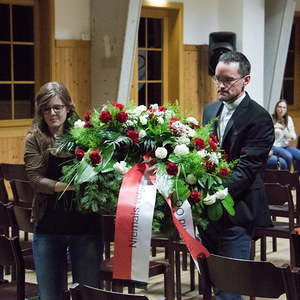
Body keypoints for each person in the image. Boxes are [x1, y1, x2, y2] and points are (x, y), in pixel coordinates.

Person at [201, 52, 274, 300]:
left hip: (238, 212)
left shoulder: (259, 117)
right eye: (217, 78)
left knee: (230, 289)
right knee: (210, 284)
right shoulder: (210, 110)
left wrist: (217, 194)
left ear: (246, 80)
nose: (221, 85)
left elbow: (247, 167)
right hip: (207, 215)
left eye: (228, 80)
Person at [24, 82, 103, 300]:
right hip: (48, 228)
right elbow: (35, 179)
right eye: (46, 108)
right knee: (49, 296)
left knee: (87, 295)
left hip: (85, 228)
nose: (52, 113)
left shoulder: (85, 135)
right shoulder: (34, 138)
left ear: (68, 108)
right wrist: (69, 187)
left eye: (57, 107)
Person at [271, 99, 300, 173]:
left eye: (284, 108)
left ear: (286, 109)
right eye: (280, 107)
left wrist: (285, 131)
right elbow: (266, 135)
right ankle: (286, 177)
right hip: (274, 146)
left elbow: (294, 136)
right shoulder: (271, 118)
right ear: (276, 108)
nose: (281, 109)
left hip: (285, 146)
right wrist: (274, 127)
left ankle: (296, 176)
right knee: (288, 156)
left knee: (299, 154)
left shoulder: (288, 119)